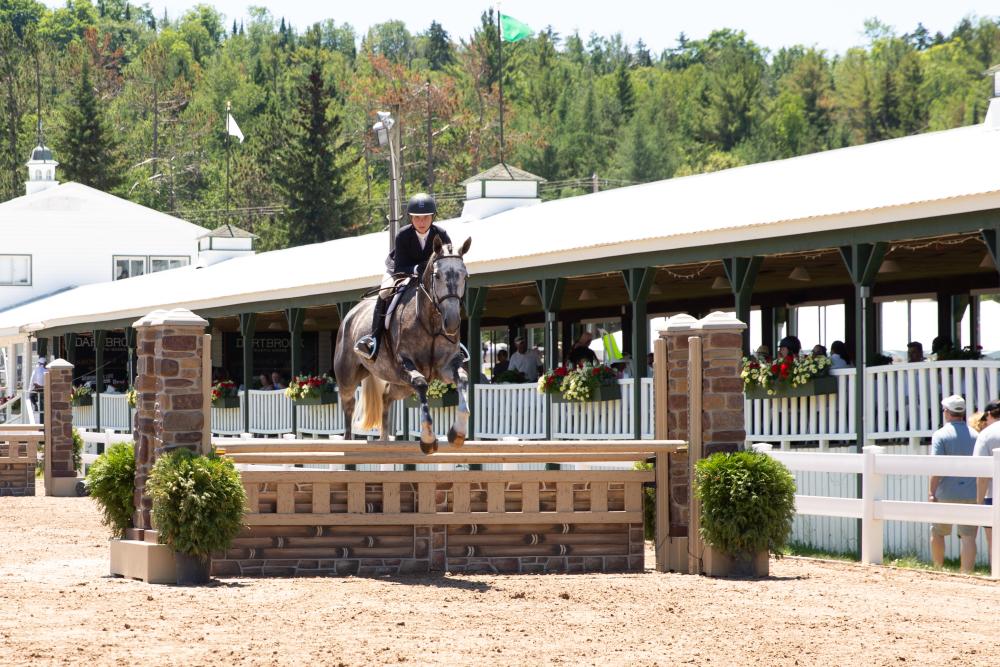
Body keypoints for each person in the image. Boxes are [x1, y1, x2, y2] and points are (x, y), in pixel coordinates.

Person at [355, 192, 452, 360]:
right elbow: (400, 266)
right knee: (385, 292)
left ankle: (454, 342)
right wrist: (417, 269)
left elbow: (448, 260)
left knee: (450, 294)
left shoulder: (441, 234)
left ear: (433, 217)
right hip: (400, 271)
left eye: (426, 218)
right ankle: (373, 339)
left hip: (430, 276)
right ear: (411, 218)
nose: (421, 222)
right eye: (417, 218)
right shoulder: (403, 235)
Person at [929, 395, 978, 573]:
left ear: (947, 412)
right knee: (968, 536)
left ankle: (938, 569)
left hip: (946, 493)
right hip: (971, 493)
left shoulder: (940, 435)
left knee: (938, 532)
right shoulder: (975, 434)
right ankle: (967, 573)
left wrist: (931, 492)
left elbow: (937, 467)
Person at [973, 399, 1000, 560]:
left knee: (994, 542)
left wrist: (978, 502)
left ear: (989, 415)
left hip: (993, 495)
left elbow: (981, 473)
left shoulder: (986, 434)